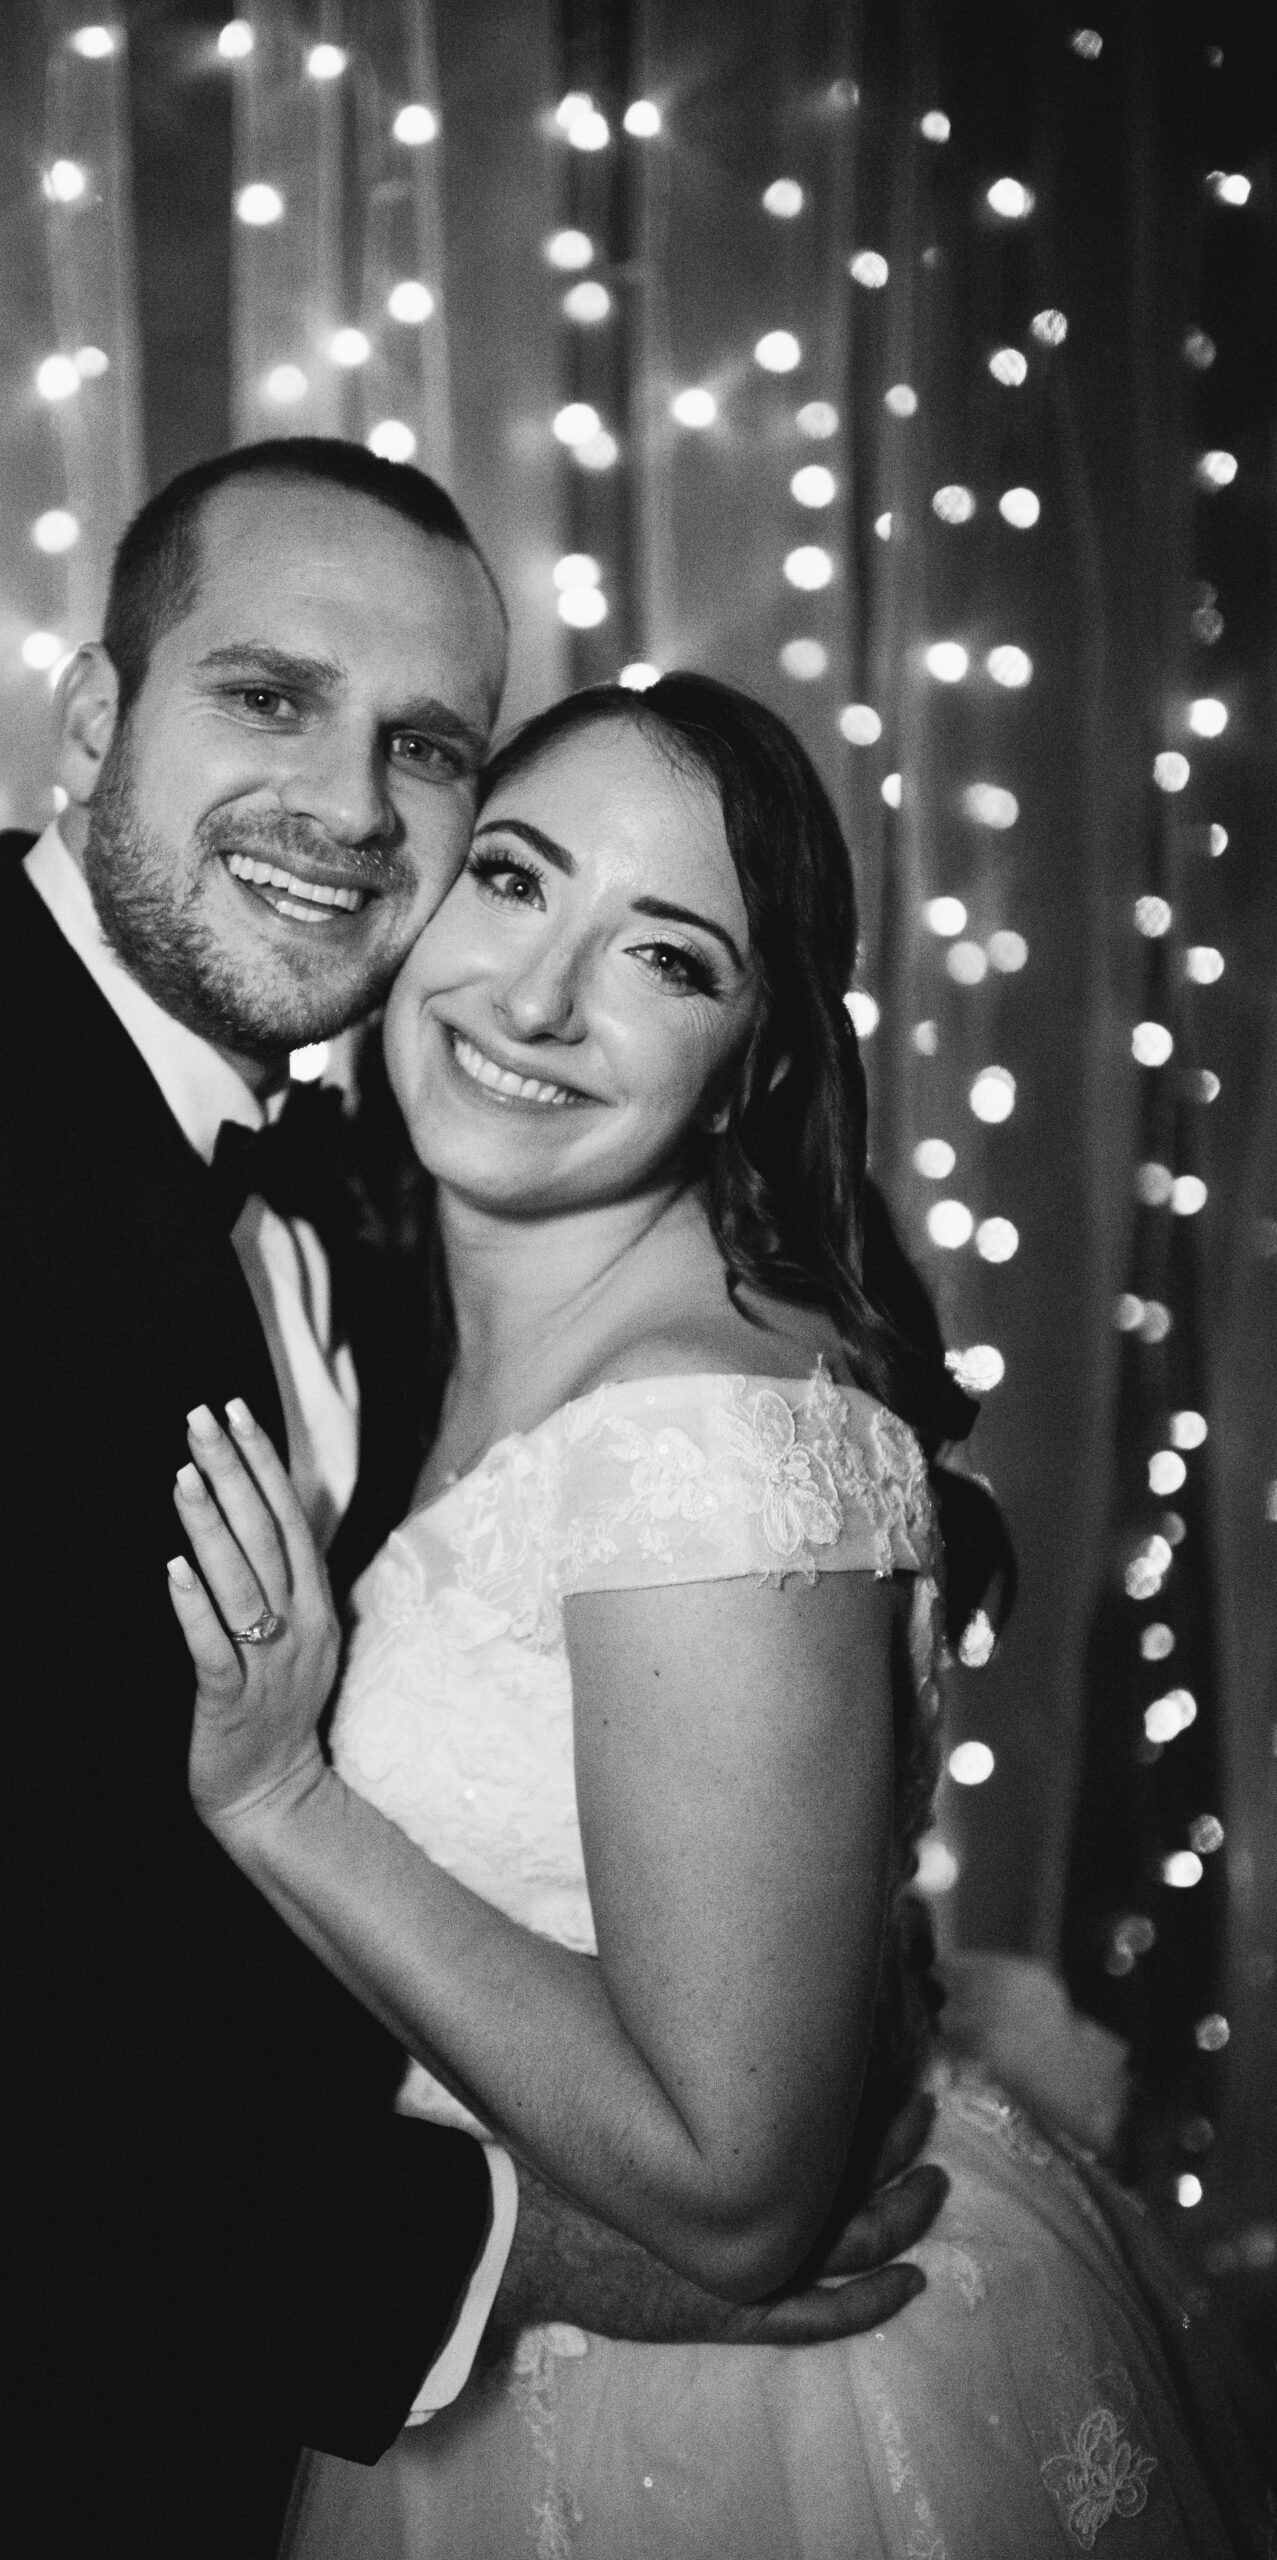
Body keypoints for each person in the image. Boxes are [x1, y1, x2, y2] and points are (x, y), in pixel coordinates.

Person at [0, 446, 943, 2559]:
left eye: (425, 750)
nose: (352, 812)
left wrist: (809, 1938)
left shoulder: (374, 1209)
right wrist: (515, 2253)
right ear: (98, 715)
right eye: (270, 697)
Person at [168, 674, 1276, 2555]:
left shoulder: (709, 1437)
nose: (533, 1000)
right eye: (512, 883)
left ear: (753, 1051)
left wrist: (289, 1807)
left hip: (724, 2419)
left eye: (666, 958)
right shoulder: (429, 1316)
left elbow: (739, 2194)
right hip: (469, 2349)